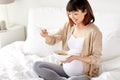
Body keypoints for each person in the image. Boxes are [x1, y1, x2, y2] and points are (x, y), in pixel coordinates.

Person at [33, 0, 102, 80]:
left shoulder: (94, 31)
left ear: (85, 11)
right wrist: (46, 36)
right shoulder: (69, 26)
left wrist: (76, 58)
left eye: (75, 14)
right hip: (65, 70)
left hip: (83, 74)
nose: (72, 17)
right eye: (69, 14)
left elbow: (97, 58)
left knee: (72, 79)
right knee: (37, 65)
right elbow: (55, 38)